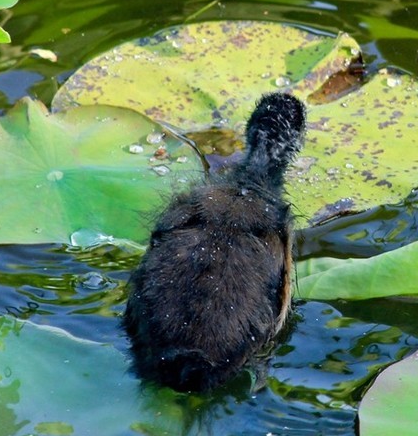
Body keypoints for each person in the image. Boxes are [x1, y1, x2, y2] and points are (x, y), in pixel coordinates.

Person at [123, 92, 307, 392]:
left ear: (249, 132)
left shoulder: (192, 205)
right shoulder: (274, 225)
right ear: (295, 145)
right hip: (218, 365)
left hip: (154, 350)